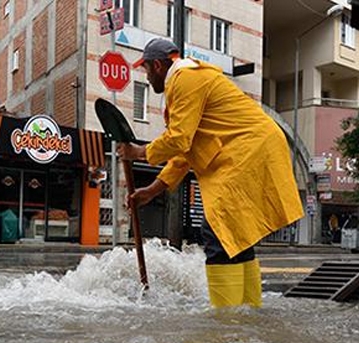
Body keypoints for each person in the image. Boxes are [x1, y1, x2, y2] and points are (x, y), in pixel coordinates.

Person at [117, 38, 303, 308]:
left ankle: (225, 322)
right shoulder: (188, 79)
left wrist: (139, 152)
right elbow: (186, 153)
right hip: (252, 148)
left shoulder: (183, 80)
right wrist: (153, 190)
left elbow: (179, 140)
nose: (146, 77)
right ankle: (247, 313)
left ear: (157, 65)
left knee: (217, 229)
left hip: (246, 151)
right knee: (236, 234)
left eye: (146, 70)